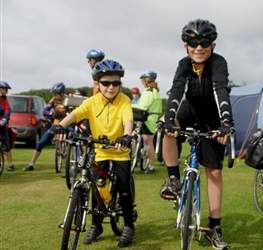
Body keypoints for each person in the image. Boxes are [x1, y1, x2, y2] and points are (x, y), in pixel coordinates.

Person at [160, 19, 234, 250]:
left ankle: (215, 227)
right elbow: (176, 91)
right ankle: (173, 179)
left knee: (214, 173)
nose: (198, 47)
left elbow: (220, 91)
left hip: (213, 118)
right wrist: (170, 119)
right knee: (166, 126)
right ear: (186, 46)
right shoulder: (183, 64)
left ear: (212, 45)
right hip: (190, 110)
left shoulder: (218, 63)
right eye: (193, 42)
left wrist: (226, 123)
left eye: (204, 42)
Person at [53, 59, 135, 248]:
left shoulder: (124, 100)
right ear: (98, 83)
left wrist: (127, 136)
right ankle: (96, 226)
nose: (111, 87)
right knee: (96, 188)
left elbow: (128, 119)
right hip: (100, 151)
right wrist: (58, 127)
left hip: (120, 151)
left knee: (123, 190)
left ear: (120, 84)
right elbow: (75, 115)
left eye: (115, 83)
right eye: (106, 83)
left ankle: (129, 225)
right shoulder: (92, 101)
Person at [23, 82, 73, 171]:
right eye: (53, 94)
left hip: (67, 125)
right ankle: (32, 164)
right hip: (56, 125)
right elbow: (45, 111)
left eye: (56, 94)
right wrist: (52, 114)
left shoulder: (68, 99)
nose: (54, 96)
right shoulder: (53, 100)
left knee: (75, 137)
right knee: (41, 142)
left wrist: (66, 115)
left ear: (62, 94)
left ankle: (79, 160)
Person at [133, 71, 162, 173]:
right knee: (147, 141)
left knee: (147, 142)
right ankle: (147, 164)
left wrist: (129, 106)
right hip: (151, 119)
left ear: (146, 80)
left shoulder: (149, 92)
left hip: (147, 120)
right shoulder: (154, 91)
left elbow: (143, 106)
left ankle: (150, 166)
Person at [0, 81, 15, 171]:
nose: (7, 92)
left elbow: (8, 111)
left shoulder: (5, 100)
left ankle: (10, 164)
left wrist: (4, 119)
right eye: (6, 90)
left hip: (2, 125)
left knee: (6, 144)